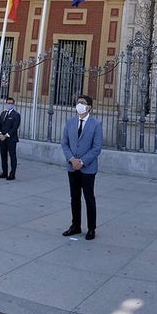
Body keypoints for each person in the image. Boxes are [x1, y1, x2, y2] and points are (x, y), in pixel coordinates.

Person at [62, 95, 103, 240]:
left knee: (89, 197)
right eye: (78, 102)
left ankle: (91, 228)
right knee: (74, 197)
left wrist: (82, 162)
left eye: (83, 103)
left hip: (88, 168)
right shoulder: (70, 122)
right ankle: (75, 225)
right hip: (72, 166)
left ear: (89, 107)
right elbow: (64, 143)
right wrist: (72, 159)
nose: (79, 105)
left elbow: (97, 147)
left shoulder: (96, 124)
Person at [0, 96, 20, 180]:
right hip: (2, 138)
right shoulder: (3, 113)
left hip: (11, 139)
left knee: (12, 156)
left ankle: (12, 174)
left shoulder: (16, 115)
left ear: (13, 104)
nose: (9, 105)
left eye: (11, 103)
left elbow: (15, 127)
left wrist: (6, 135)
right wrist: (0, 134)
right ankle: (4, 172)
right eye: (8, 103)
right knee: (3, 156)